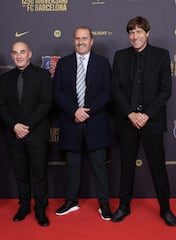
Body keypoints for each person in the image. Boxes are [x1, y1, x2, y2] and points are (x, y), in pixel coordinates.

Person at [111, 16, 176, 226]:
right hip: (127, 122)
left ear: (147, 33)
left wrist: (146, 115)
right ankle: (124, 206)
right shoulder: (120, 56)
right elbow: (116, 89)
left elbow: (165, 90)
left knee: (158, 167)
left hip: (152, 121)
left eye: (139, 31)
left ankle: (165, 209)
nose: (135, 36)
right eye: (131, 32)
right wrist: (131, 114)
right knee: (126, 166)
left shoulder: (161, 55)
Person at [53, 26, 112, 220]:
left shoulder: (102, 63)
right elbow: (57, 92)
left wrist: (87, 111)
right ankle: (71, 201)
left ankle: (104, 204)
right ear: (73, 41)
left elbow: (107, 92)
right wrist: (74, 111)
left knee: (99, 167)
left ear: (92, 41)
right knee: (72, 165)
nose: (81, 41)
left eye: (84, 38)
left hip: (95, 122)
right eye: (77, 38)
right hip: (71, 122)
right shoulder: (63, 63)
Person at [0, 41, 52, 227]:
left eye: (22, 52)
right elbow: (2, 107)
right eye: (15, 53)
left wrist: (26, 125)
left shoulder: (42, 75)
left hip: (35, 134)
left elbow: (46, 103)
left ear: (30, 54)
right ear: (12, 55)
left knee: (39, 175)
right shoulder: (5, 78)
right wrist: (15, 126)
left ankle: (41, 209)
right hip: (14, 135)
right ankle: (24, 207)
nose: (18, 56)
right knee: (20, 175)